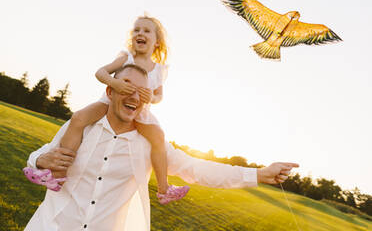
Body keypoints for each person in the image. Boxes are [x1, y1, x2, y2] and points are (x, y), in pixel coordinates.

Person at [24, 64, 299, 231]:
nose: (134, 96)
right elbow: (39, 155)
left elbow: (196, 168)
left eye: (142, 92)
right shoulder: (83, 125)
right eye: (127, 87)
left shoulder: (150, 144)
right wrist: (41, 161)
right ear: (109, 91)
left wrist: (258, 174)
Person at [24, 15, 189, 204]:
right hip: (109, 105)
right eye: (136, 30)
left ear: (157, 42)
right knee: (78, 118)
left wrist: (151, 97)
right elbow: (100, 72)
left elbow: (159, 96)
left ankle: (164, 189)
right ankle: (57, 174)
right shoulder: (126, 57)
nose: (140, 33)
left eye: (146, 30)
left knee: (158, 137)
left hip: (139, 112)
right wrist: (114, 83)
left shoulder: (159, 69)